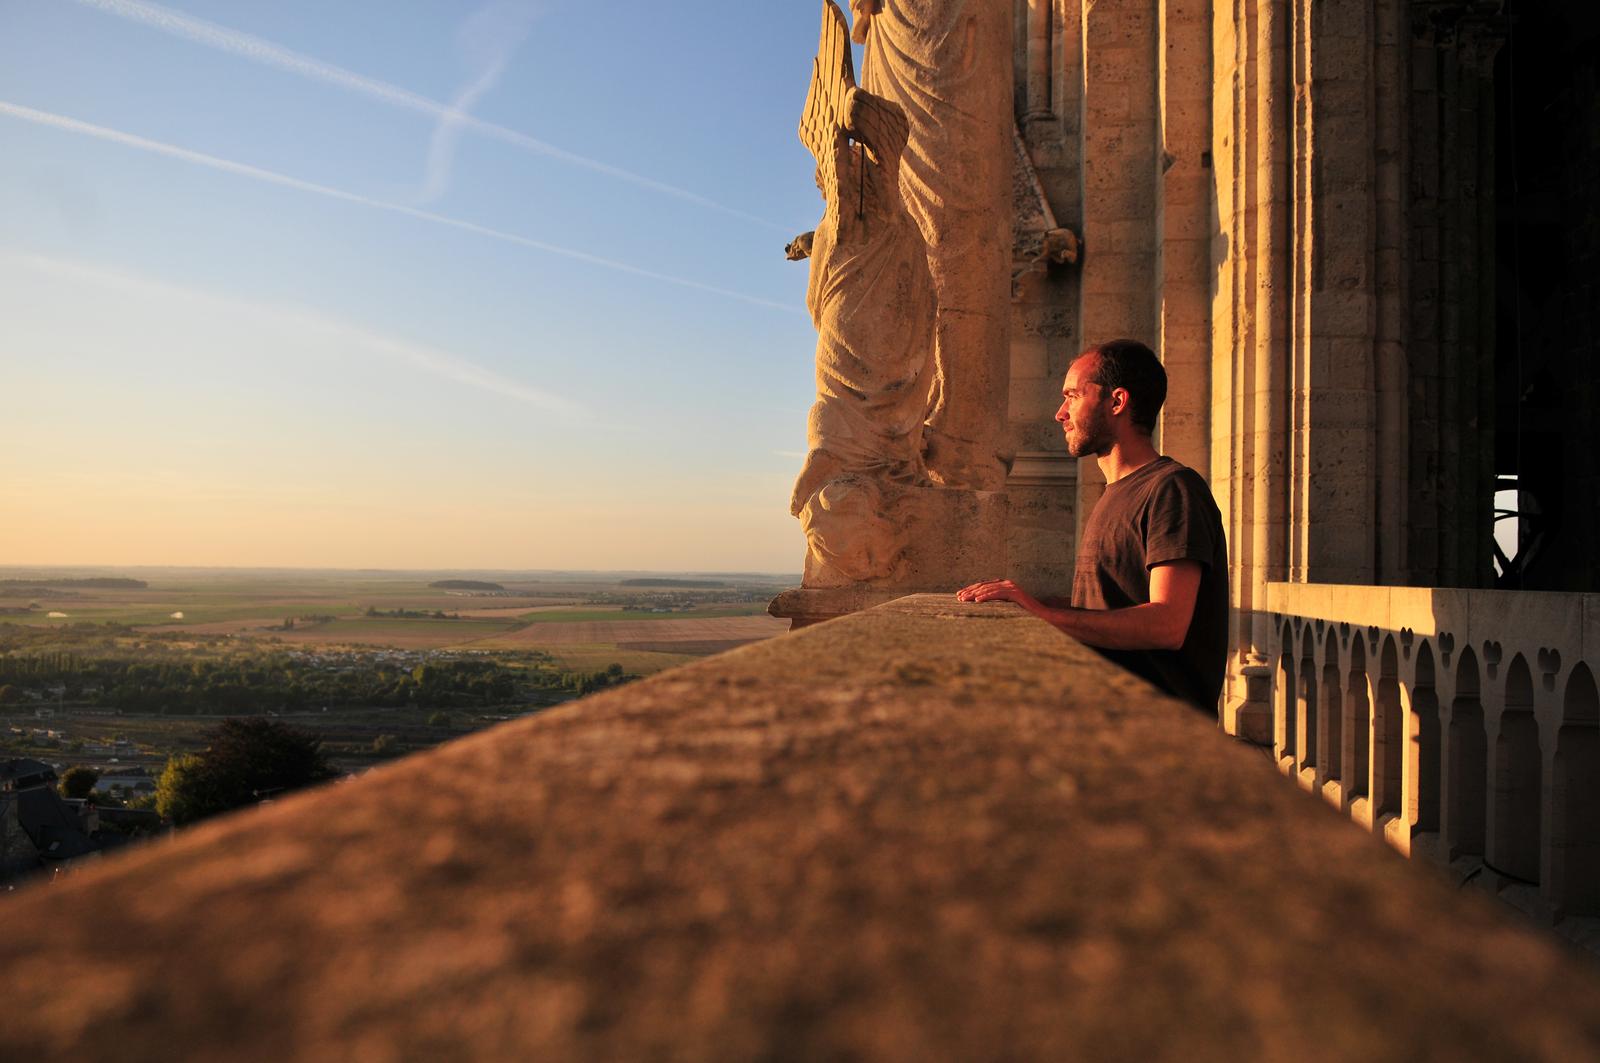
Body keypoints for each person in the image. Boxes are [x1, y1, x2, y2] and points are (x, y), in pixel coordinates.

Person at [957, 339, 1228, 713]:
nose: (1059, 413)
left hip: (1158, 738)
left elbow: (1167, 624)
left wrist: (1045, 615)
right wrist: (1031, 604)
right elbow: (1111, 607)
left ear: (1117, 402)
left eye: (1072, 395)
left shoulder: (1172, 489)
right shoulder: (1116, 494)